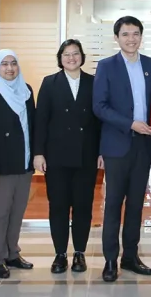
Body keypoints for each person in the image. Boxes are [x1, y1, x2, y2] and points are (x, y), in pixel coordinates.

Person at [93, 16, 151, 282]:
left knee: (136, 205)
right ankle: (110, 259)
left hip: (143, 146)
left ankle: (130, 257)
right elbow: (99, 106)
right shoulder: (106, 66)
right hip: (117, 145)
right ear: (117, 38)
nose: (131, 39)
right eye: (125, 34)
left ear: (141, 37)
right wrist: (130, 124)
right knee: (113, 204)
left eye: (135, 34)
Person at [34, 39, 103, 274]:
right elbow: (41, 121)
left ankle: (80, 253)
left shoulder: (94, 83)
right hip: (56, 156)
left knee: (83, 206)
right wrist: (38, 153)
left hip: (87, 155)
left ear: (82, 57)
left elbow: (100, 121)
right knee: (58, 206)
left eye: (75, 53)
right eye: (66, 54)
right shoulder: (49, 83)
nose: (71, 58)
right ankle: (60, 254)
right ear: (60, 58)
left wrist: (102, 151)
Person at [0, 49, 36, 279]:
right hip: (0, 167)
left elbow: (32, 125)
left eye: (13, 63)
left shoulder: (26, 91)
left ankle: (12, 253)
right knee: (0, 214)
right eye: (4, 64)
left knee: (17, 212)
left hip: (24, 162)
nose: (10, 68)